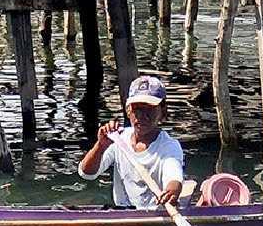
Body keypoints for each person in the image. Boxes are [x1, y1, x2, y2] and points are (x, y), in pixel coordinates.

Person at [78, 75, 184, 210]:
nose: (142, 116)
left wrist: (172, 192)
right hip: (122, 212)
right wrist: (100, 146)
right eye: (137, 109)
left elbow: (173, 177)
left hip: (156, 214)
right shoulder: (118, 138)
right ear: (128, 111)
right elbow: (87, 174)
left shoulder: (169, 146)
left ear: (163, 112)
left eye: (149, 109)